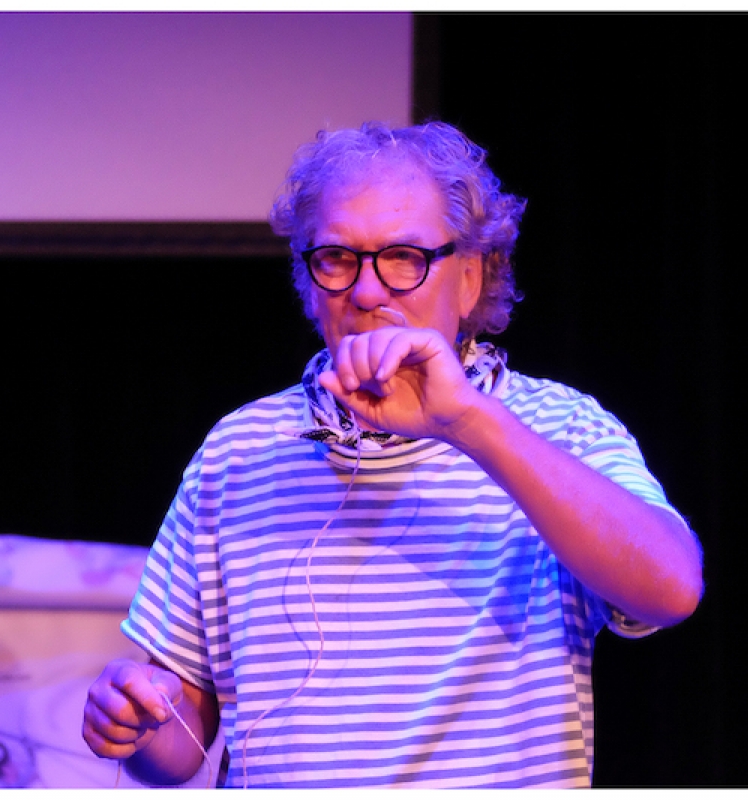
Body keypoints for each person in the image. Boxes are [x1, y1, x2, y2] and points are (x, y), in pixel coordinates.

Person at [82, 121, 703, 788]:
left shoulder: (555, 428)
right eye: (336, 258)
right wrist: (140, 722)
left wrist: (467, 421)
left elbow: (671, 589)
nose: (367, 292)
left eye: (404, 256)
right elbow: (180, 741)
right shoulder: (241, 450)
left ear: (470, 278)